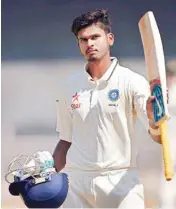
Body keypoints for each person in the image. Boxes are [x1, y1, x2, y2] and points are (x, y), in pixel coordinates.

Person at [53, 9, 163, 208]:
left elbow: (156, 135)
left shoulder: (131, 81)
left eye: (95, 37)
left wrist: (153, 118)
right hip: (77, 182)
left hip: (120, 180)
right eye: (83, 40)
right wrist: (48, 176)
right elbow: (65, 141)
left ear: (110, 38)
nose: (90, 44)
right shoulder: (68, 86)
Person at [160, 60, 176, 209]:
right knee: (167, 178)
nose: (171, 78)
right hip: (167, 142)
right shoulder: (162, 92)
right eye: (169, 75)